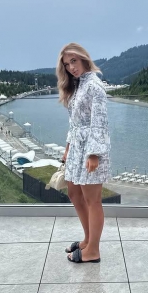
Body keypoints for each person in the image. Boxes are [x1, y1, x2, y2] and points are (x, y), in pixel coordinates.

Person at [56, 42, 111, 264]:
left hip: (91, 150)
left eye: (74, 61)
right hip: (77, 149)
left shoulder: (94, 85)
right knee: (74, 193)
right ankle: (88, 240)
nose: (71, 67)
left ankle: (93, 250)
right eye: (67, 64)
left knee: (92, 200)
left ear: (84, 58)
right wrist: (68, 148)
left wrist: (94, 154)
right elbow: (74, 123)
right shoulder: (79, 85)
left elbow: (99, 122)